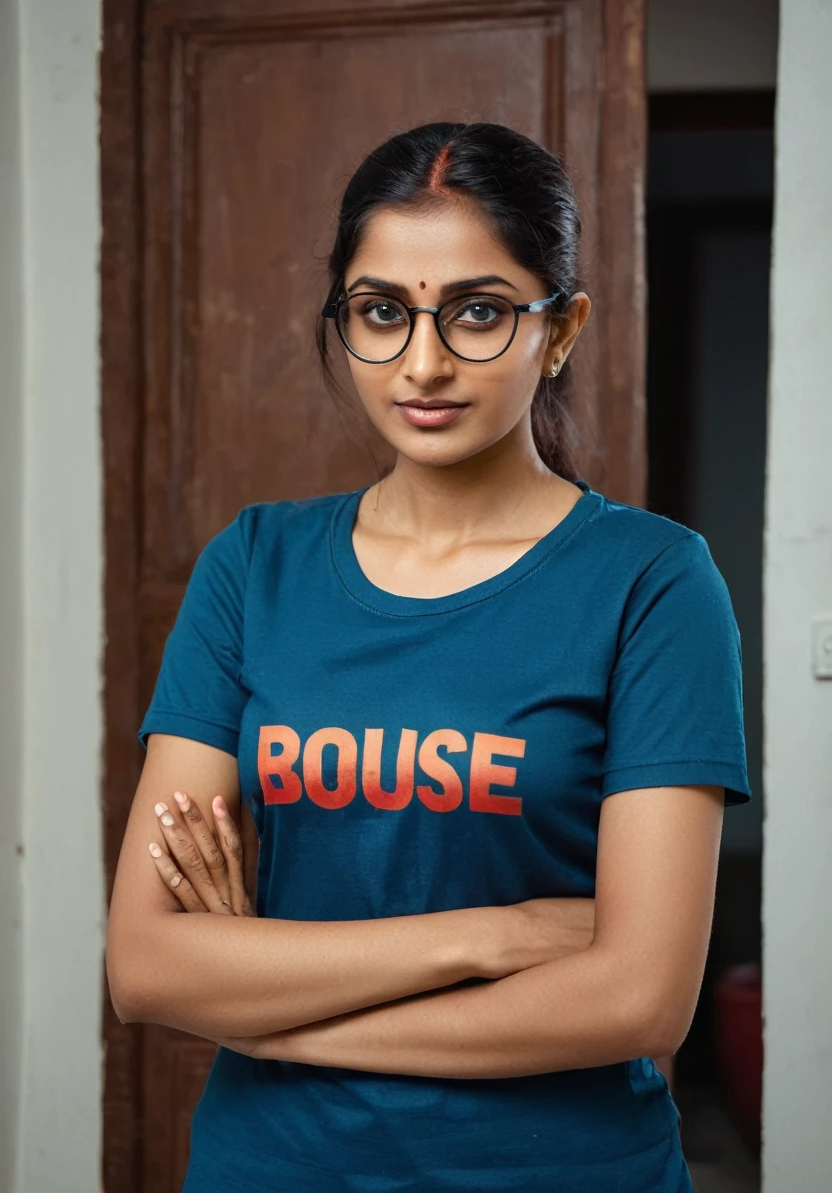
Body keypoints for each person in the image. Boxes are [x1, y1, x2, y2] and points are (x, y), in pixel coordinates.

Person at [106, 121, 751, 1192]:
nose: (423, 361)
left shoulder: (653, 582)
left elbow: (636, 998)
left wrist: (274, 1016)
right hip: (273, 1168)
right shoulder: (254, 567)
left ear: (561, 328)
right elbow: (147, 964)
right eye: (380, 313)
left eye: (479, 311)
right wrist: (494, 936)